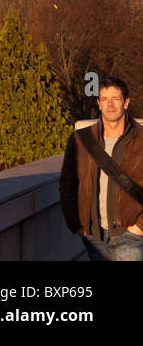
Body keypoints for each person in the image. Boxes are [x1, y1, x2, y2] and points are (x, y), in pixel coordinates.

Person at [60, 77, 143, 261]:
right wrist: (78, 226)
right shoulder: (80, 140)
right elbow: (67, 185)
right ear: (98, 103)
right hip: (93, 235)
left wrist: (139, 228)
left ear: (126, 102)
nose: (110, 105)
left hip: (131, 235)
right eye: (104, 99)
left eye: (115, 98)